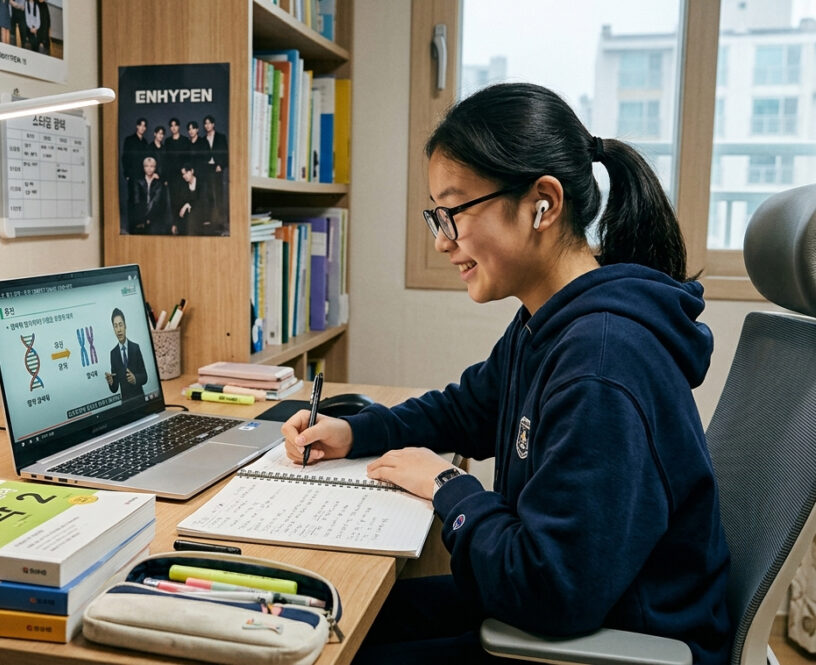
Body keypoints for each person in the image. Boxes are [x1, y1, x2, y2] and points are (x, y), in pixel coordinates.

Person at [281, 82, 731, 665]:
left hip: (616, 640)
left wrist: (446, 486)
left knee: (328, 653)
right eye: (434, 217)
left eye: (455, 212)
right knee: (329, 620)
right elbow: (468, 408)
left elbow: (551, 592)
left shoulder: (601, 363)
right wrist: (358, 432)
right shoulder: (549, 321)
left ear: (542, 203)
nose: (443, 241)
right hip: (571, 604)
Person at [105, 308, 147, 402]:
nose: (119, 329)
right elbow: (115, 388)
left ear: (125, 326)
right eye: (115, 326)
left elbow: (145, 376)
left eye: (120, 325)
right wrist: (111, 382)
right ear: (113, 329)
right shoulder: (113, 354)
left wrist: (135, 379)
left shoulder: (135, 348)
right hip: (126, 404)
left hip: (140, 401)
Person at [130, 156, 169, 235]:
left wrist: (148, 219)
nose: (149, 169)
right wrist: (142, 218)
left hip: (154, 215)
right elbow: (136, 201)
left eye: (152, 166)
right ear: (143, 167)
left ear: (155, 168)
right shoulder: (138, 181)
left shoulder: (158, 183)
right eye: (146, 166)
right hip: (140, 214)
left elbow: (156, 202)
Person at [202, 115, 228, 227]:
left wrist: (221, 165)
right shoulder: (203, 139)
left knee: (218, 194)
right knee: (208, 194)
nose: (207, 125)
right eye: (205, 123)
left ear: (213, 124)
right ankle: (210, 219)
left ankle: (221, 221)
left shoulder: (221, 137)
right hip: (207, 168)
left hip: (218, 167)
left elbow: (225, 153)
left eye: (209, 123)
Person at [122, 117, 149, 222]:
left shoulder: (145, 142)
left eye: (144, 126)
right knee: (133, 198)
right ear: (137, 126)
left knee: (142, 198)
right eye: (140, 125)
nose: (142, 128)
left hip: (142, 174)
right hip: (132, 174)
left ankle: (140, 223)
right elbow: (125, 157)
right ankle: (132, 223)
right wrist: (127, 174)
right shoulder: (129, 140)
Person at [172, 163, 207, 236]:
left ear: (192, 171)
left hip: (202, 216)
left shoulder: (202, 183)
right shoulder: (183, 186)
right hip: (187, 220)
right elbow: (178, 205)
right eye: (183, 174)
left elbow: (203, 201)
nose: (185, 176)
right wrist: (174, 224)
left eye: (187, 172)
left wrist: (188, 204)